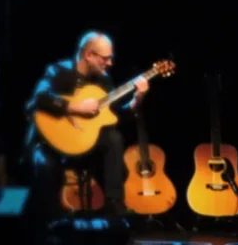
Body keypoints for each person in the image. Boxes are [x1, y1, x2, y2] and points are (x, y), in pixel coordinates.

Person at [23, 30, 149, 224]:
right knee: (44, 165)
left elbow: (114, 117)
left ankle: (114, 206)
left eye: (110, 58)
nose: (109, 63)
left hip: (84, 146)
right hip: (50, 145)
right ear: (89, 55)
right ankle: (49, 224)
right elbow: (39, 100)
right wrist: (75, 108)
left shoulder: (103, 80)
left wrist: (137, 98)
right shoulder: (59, 70)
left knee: (113, 138)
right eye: (105, 58)